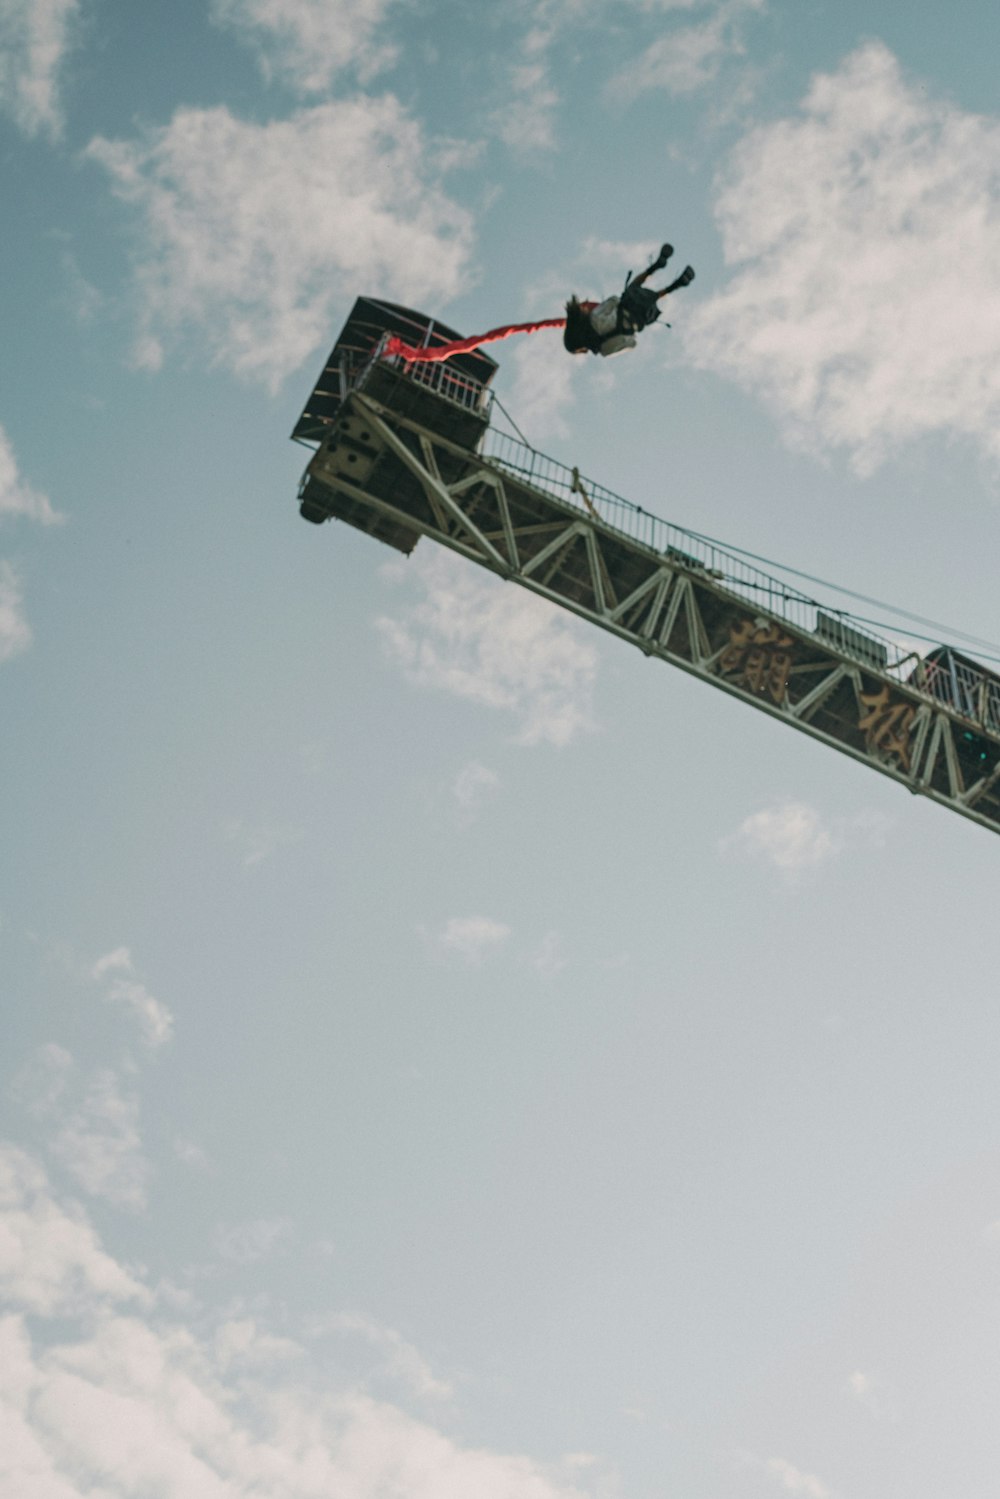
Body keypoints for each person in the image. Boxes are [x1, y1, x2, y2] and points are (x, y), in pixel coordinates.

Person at [563, 244, 695, 357]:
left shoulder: (605, 351)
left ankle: (676, 285)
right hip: (628, 304)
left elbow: (632, 344)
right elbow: (613, 300)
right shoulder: (593, 318)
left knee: (652, 299)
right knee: (634, 286)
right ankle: (654, 267)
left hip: (638, 320)